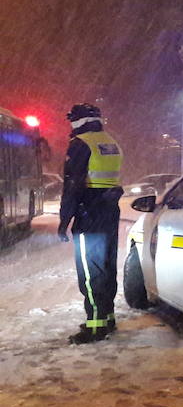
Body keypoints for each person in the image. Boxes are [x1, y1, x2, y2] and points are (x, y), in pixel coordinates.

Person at [58, 103, 124, 344]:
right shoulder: (110, 141)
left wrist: (65, 220)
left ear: (78, 121)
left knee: (89, 270)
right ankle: (107, 317)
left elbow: (72, 185)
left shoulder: (80, 144)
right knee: (106, 266)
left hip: (89, 213)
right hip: (109, 211)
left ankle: (95, 325)